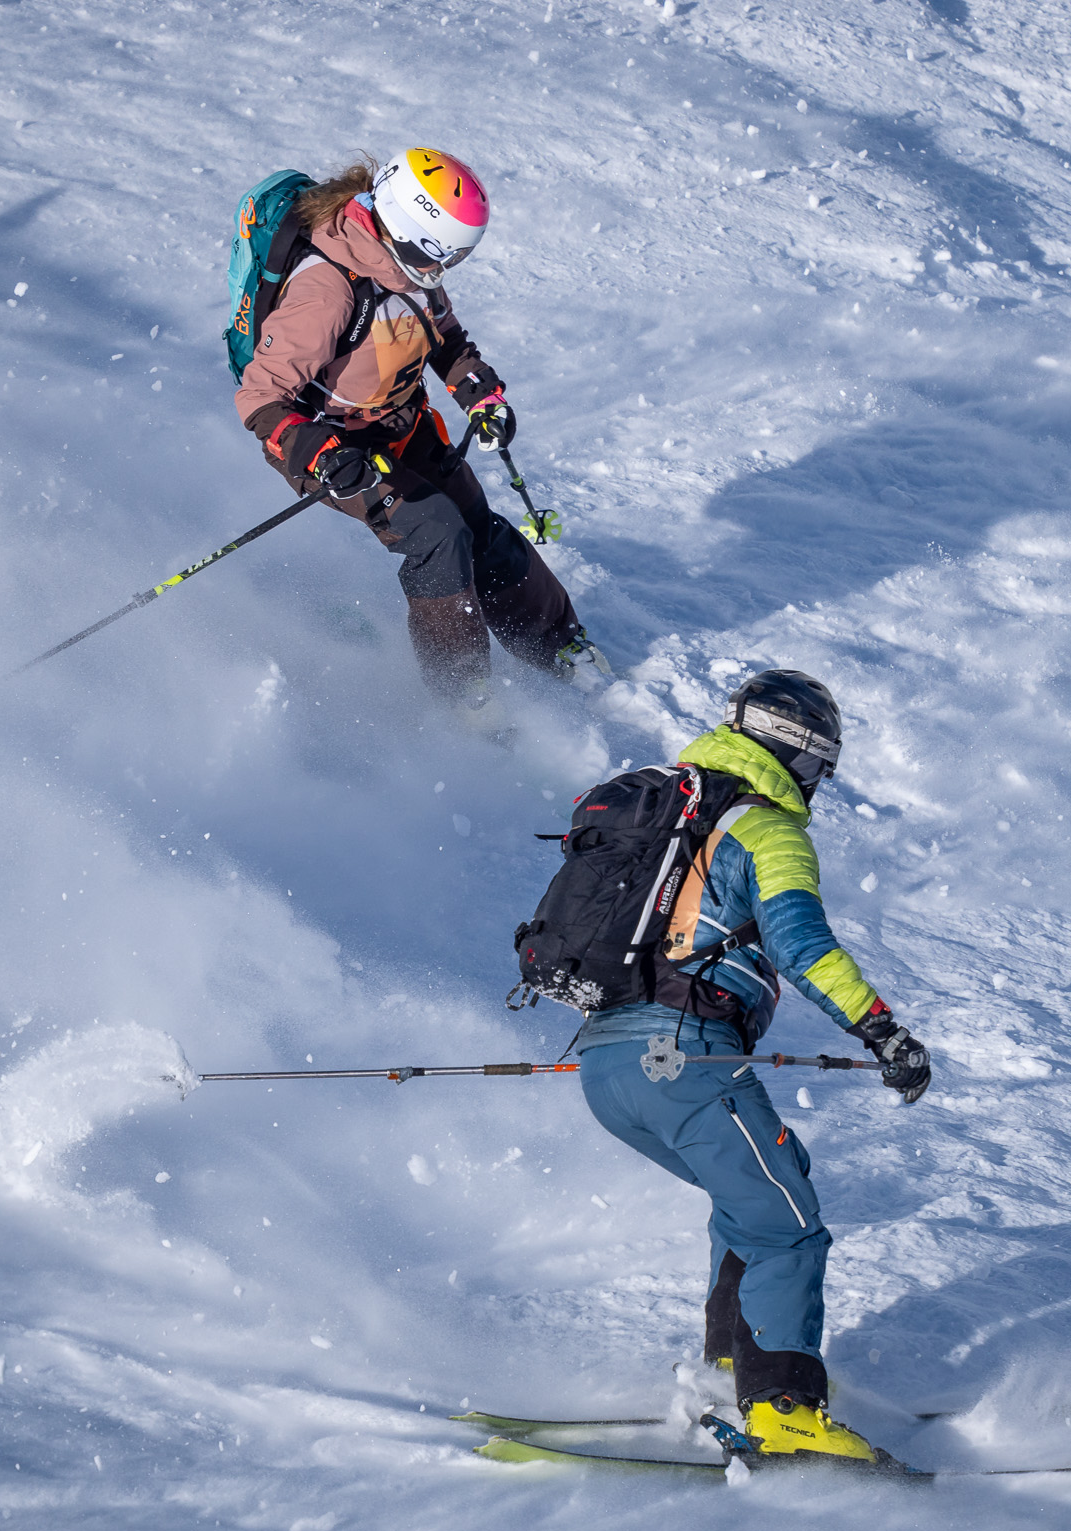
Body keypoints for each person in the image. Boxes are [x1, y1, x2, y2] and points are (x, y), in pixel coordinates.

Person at [571, 669, 933, 1463]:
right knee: (787, 1228)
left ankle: (731, 1370)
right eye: (820, 768)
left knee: (764, 1187)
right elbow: (803, 946)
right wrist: (883, 1032)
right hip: (687, 1061)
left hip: (607, 1065)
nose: (819, 785)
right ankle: (782, 1409)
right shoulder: (764, 830)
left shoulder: (670, 815)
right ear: (796, 756)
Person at [233, 148, 605, 724]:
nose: (449, 266)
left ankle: (556, 644)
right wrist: (322, 455)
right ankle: (461, 694)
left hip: (401, 422)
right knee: (436, 533)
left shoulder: (412, 273)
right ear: (412, 233)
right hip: (332, 447)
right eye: (446, 252)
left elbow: (445, 336)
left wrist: (479, 393)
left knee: (476, 524)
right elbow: (260, 397)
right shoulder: (327, 290)